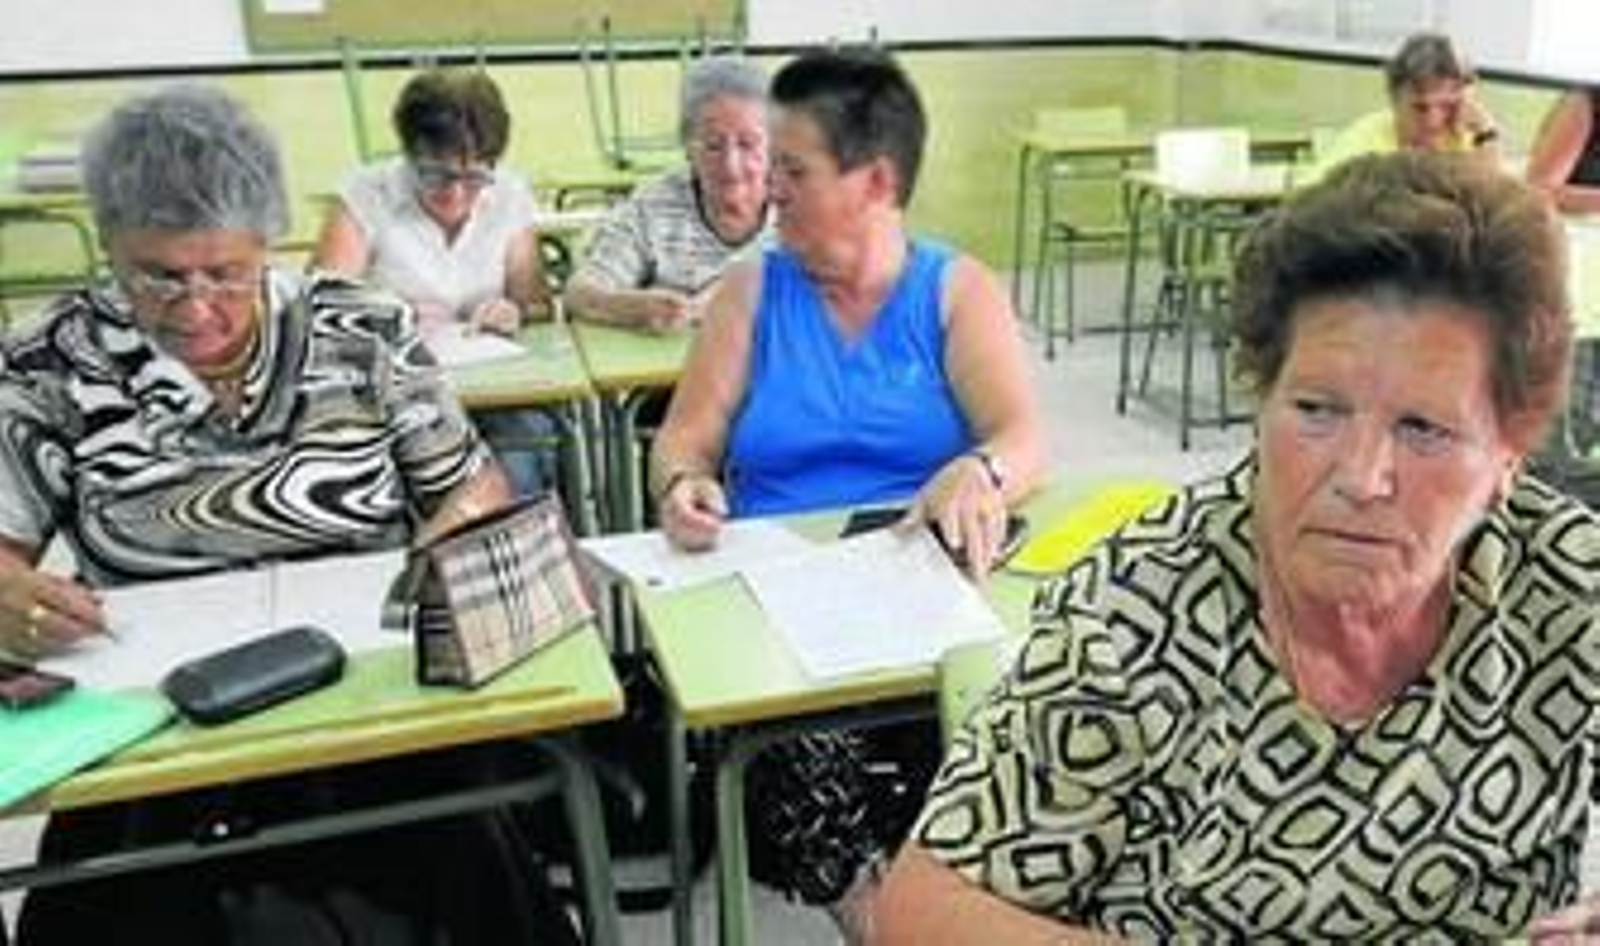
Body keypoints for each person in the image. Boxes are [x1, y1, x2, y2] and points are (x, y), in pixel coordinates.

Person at [875, 152, 1600, 942]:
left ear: (1508, 457)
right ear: (1262, 394)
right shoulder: (1133, 616)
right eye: (1317, 409)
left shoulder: (1572, 589)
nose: (1360, 477)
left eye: (1423, 428)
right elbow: (919, 912)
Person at [1, 84, 575, 944]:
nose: (196, 308)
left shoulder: (362, 329)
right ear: (111, 247)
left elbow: (468, 484)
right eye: (157, 276)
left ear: (268, 244)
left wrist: (457, 528)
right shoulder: (52, 358)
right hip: (164, 736)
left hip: (373, 717)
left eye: (225, 274)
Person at [650, 48, 1046, 939]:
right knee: (792, 755)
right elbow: (686, 436)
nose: (768, 189)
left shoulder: (955, 289)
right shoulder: (752, 289)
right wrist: (683, 485)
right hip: (782, 600)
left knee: (996, 735)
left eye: (792, 169)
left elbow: (1022, 439)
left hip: (922, 585)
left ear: (872, 180)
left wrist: (979, 472)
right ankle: (877, 920)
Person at [313, 67, 554, 496]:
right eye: (435, 175)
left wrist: (514, 310)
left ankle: (512, 555)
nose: (457, 194)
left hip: (497, 393)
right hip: (394, 397)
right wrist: (385, 317)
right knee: (398, 481)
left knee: (518, 464)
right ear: (408, 153)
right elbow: (319, 309)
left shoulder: (510, 195)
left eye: (475, 176)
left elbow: (538, 303)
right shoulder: (365, 195)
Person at [563, 55, 770, 333]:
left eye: (748, 144)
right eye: (713, 146)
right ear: (687, 146)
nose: (731, 165)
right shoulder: (654, 206)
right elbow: (580, 294)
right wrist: (632, 308)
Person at [1305, 32, 1501, 183]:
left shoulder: (1466, 137)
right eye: (1419, 107)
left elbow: (1493, 201)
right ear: (1394, 100)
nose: (1433, 121)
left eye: (1447, 106)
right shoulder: (1365, 145)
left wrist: (1486, 129)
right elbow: (1306, 203)